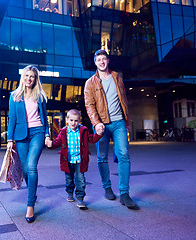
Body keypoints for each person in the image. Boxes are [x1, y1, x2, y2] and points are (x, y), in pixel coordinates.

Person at [84, 49, 136, 209]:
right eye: (98, 59)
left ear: (108, 60)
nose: (101, 62)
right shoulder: (90, 83)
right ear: (95, 62)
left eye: (104, 59)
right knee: (102, 157)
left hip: (119, 122)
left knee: (124, 155)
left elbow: (124, 99)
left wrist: (127, 120)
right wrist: (96, 122)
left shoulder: (117, 78)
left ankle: (125, 193)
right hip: (101, 125)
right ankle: (107, 188)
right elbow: (89, 105)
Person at [7, 65, 50, 223]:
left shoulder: (40, 96)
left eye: (32, 76)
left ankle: (30, 204)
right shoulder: (14, 96)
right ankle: (33, 192)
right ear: (22, 77)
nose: (29, 79)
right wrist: (9, 139)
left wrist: (46, 134)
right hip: (20, 136)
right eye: (26, 76)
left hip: (37, 132)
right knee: (25, 169)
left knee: (32, 166)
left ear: (35, 78)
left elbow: (45, 118)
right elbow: (12, 118)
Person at [46, 109, 104, 209]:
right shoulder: (63, 131)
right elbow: (57, 142)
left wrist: (98, 134)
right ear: (67, 120)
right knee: (69, 179)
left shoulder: (83, 130)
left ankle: (80, 198)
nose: (73, 123)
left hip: (80, 161)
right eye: (71, 120)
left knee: (80, 180)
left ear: (79, 120)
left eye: (76, 120)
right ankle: (69, 192)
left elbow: (91, 139)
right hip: (67, 161)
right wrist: (51, 144)